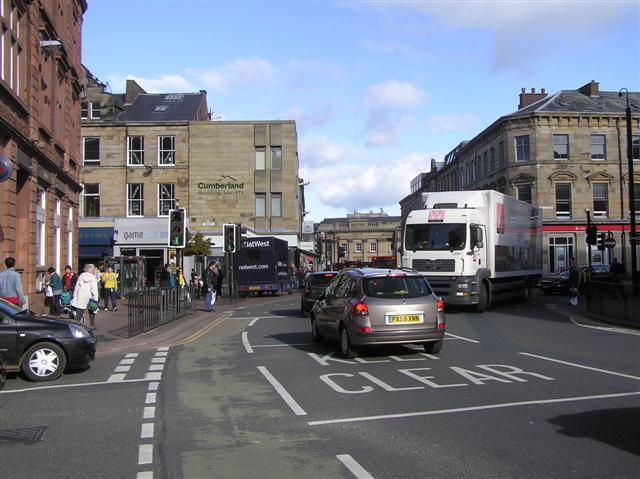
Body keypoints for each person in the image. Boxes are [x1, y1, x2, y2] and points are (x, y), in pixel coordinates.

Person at [71, 264, 99, 328]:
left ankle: (76, 325)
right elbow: (94, 289)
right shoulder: (93, 277)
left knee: (80, 311)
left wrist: (74, 295)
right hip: (90, 296)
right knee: (92, 310)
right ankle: (92, 325)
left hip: (81, 295)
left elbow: (77, 287)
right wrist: (96, 298)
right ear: (91, 270)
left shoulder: (81, 276)